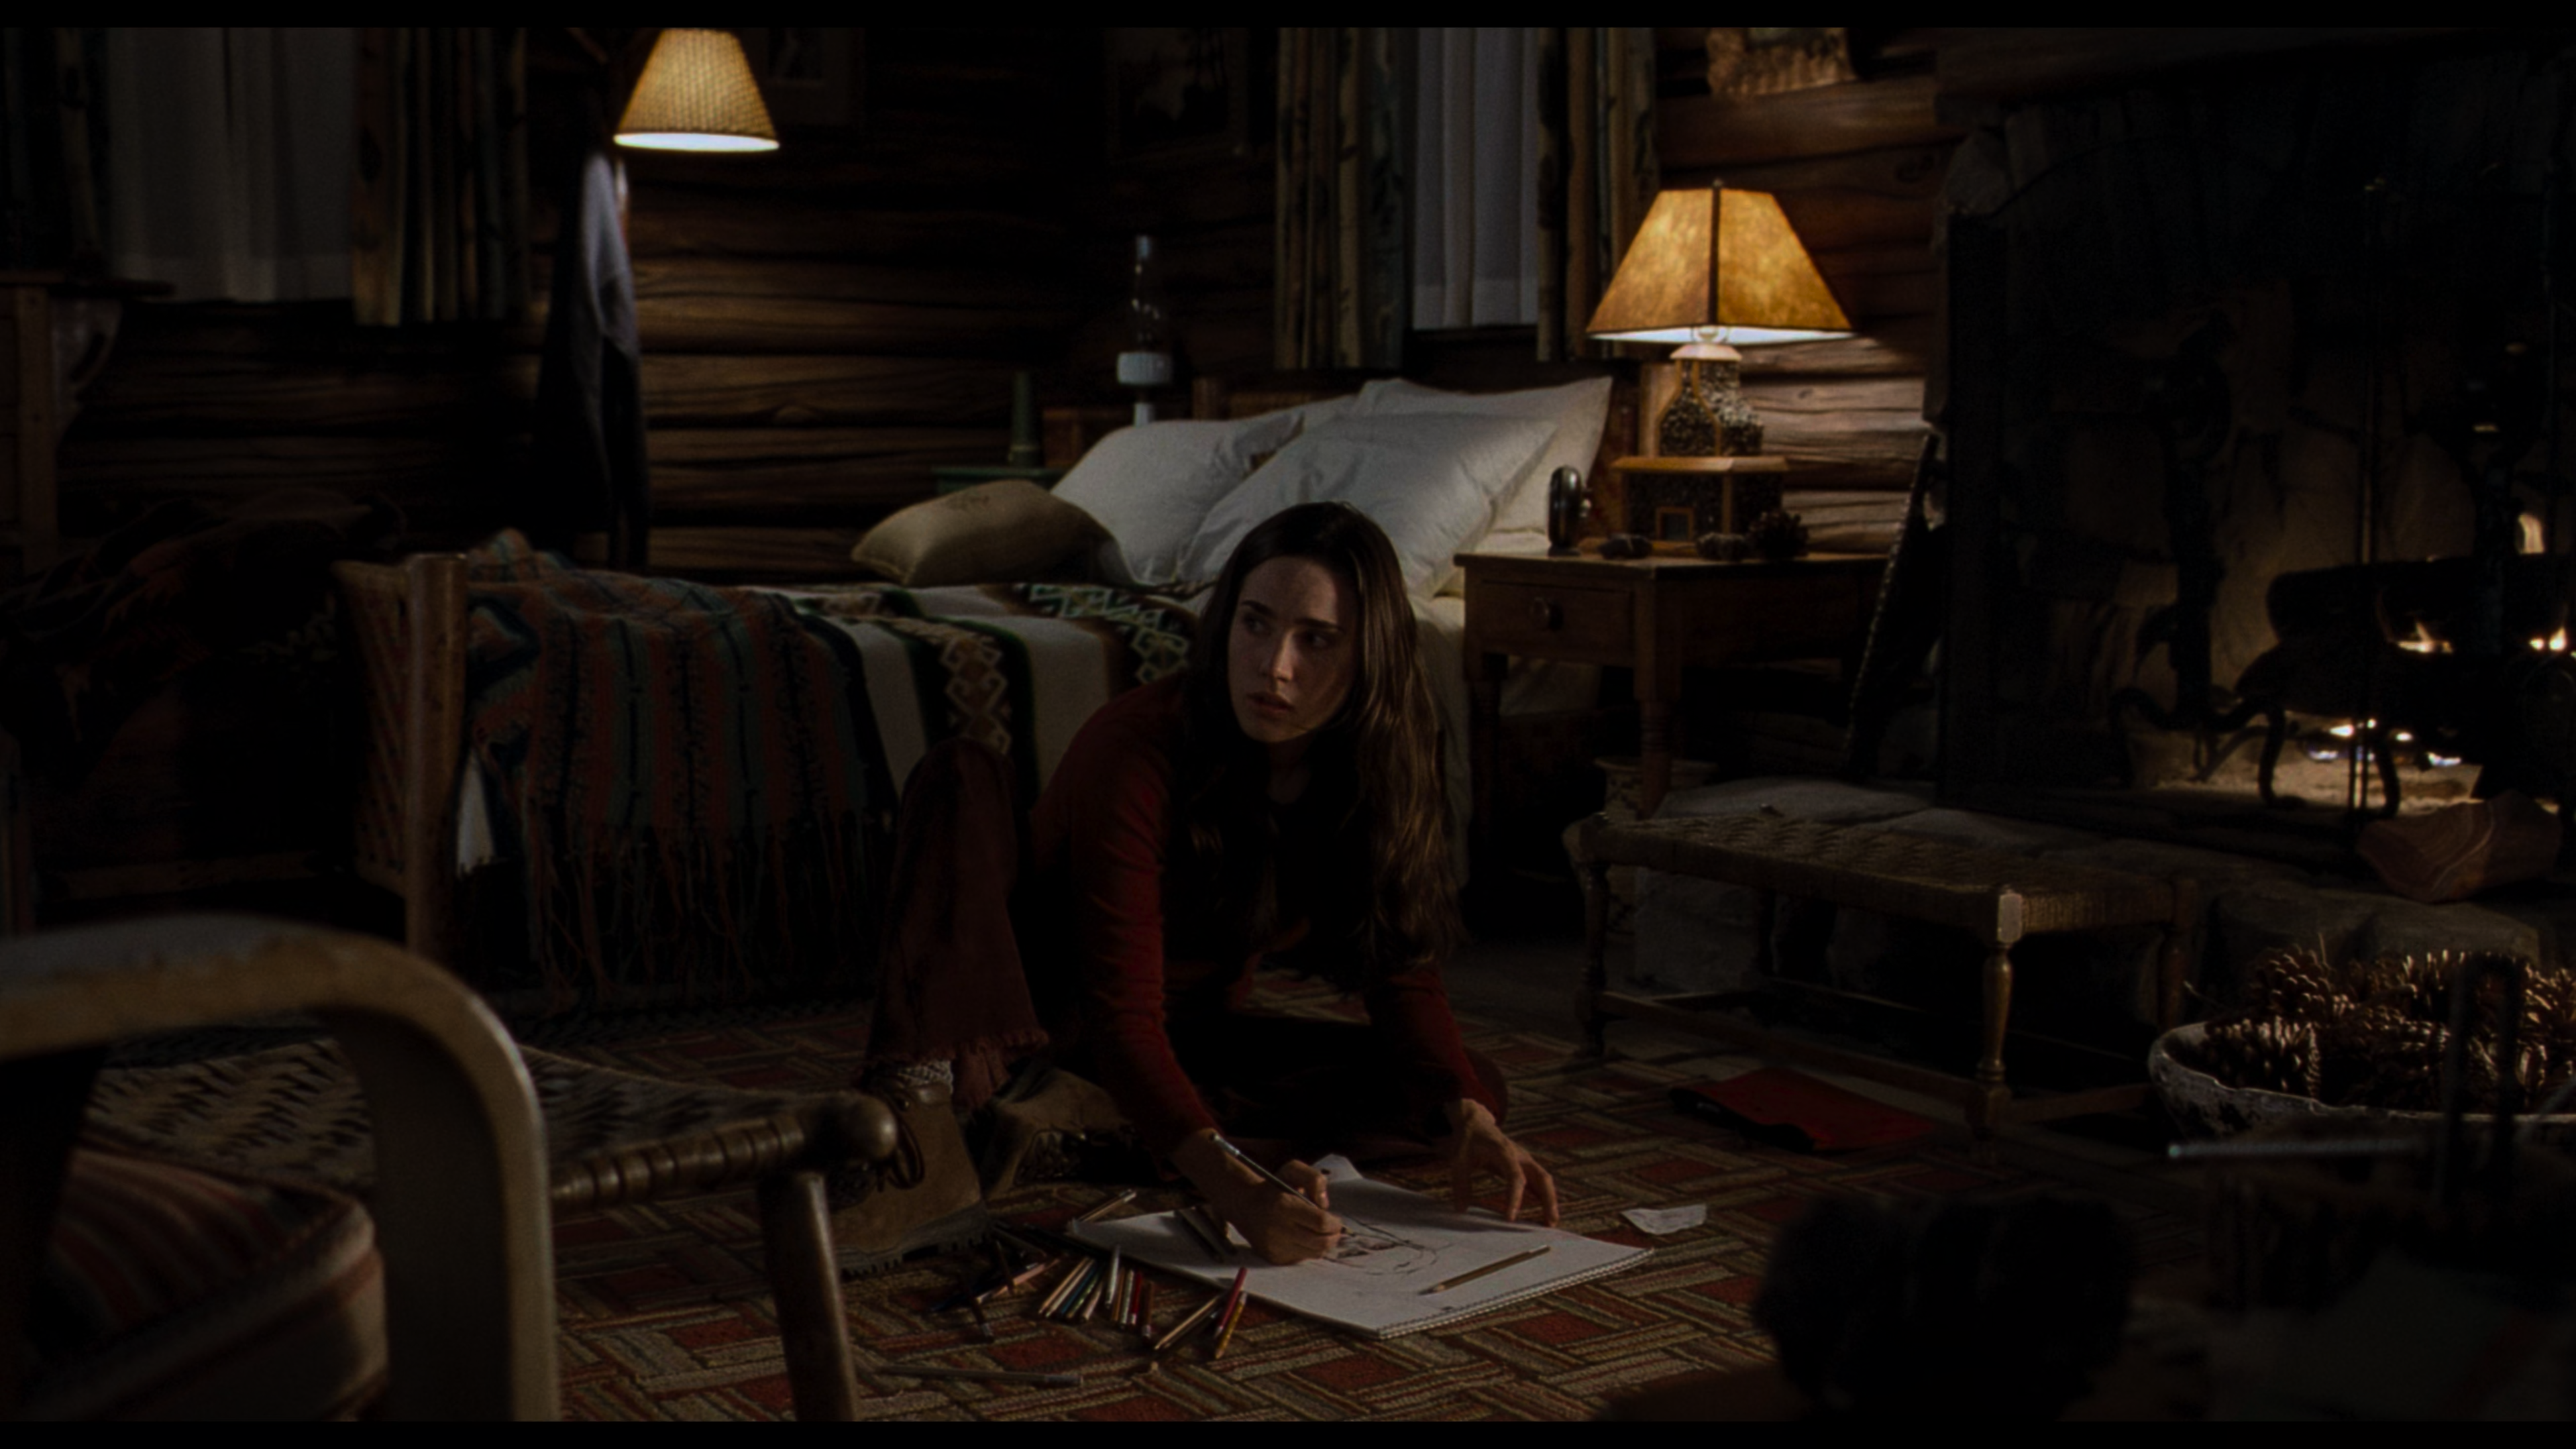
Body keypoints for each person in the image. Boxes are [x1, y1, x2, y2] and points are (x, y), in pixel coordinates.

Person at [837, 502, 1556, 1269]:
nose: (1274, 666)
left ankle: (1087, 1127)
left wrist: (1469, 1117)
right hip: (1046, 1020)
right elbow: (1121, 1013)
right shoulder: (1139, 744)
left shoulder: (1371, 763)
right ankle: (930, 1128)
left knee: (1460, 1091)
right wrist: (1235, 1188)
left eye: (1316, 639)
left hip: (1179, 1038)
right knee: (961, 771)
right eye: (1255, 624)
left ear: (1369, 656)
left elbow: (1399, 969)